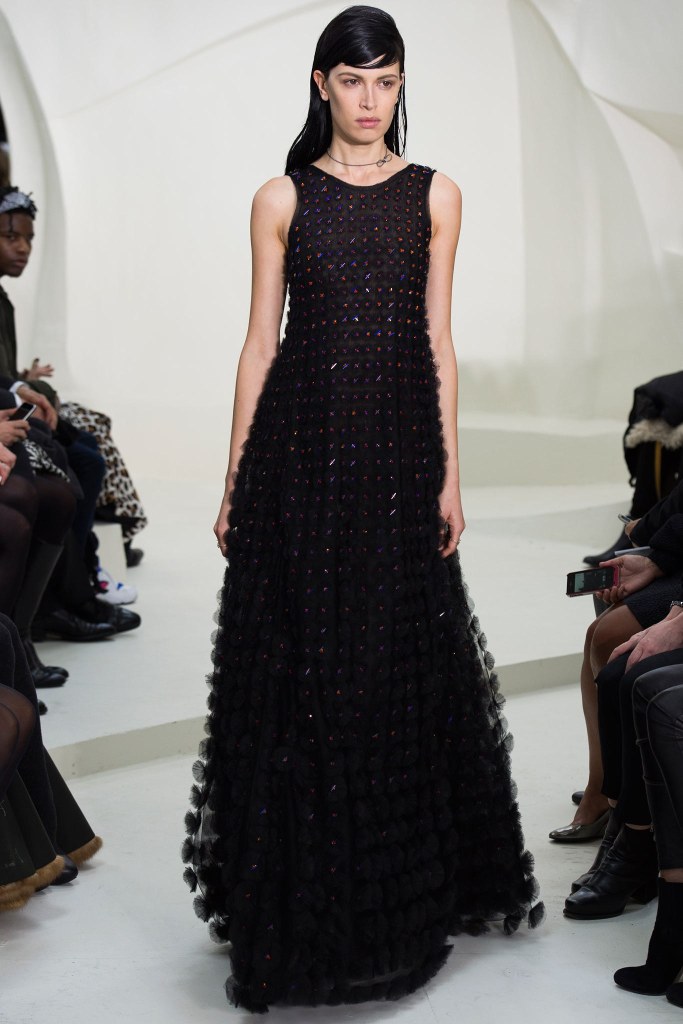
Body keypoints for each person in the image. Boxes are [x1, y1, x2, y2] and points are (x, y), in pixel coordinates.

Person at [182, 6, 542, 1012]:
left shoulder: (435, 195)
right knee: (301, 674)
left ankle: (388, 910)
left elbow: (437, 340)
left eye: (386, 80)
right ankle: (302, 908)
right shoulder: (280, 198)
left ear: (399, 85)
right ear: (321, 84)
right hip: (296, 462)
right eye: (352, 80)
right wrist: (233, 477)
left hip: (395, 458)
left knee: (387, 672)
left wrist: (450, 475)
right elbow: (260, 344)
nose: (370, 99)